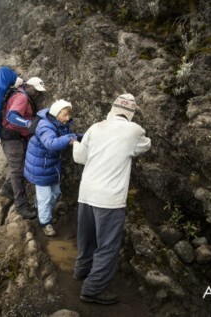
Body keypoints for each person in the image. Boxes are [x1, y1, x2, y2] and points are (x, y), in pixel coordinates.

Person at [72, 93, 151, 305]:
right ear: (130, 113)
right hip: (109, 198)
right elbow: (144, 146)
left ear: (112, 109)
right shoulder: (135, 130)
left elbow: (80, 157)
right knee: (107, 246)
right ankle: (93, 290)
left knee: (86, 237)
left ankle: (81, 272)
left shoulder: (95, 127)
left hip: (86, 193)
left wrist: (74, 144)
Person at [24, 99, 77, 236]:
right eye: (65, 115)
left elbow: (67, 137)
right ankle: (44, 222)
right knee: (46, 197)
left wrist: (81, 137)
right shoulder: (45, 126)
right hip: (40, 168)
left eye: (69, 115)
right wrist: (70, 138)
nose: (68, 118)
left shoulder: (60, 124)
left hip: (50, 166)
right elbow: (51, 143)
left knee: (56, 193)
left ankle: (41, 209)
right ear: (56, 113)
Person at [0, 77, 46, 219]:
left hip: (17, 137)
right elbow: (12, 116)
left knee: (21, 167)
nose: (37, 94)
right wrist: (28, 124)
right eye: (36, 90)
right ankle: (21, 206)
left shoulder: (21, 94)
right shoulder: (22, 98)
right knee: (18, 171)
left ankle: (8, 189)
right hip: (12, 138)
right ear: (28, 86)